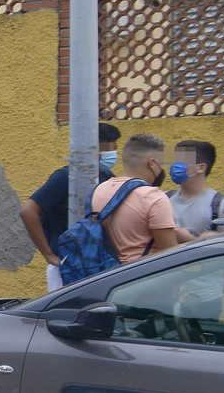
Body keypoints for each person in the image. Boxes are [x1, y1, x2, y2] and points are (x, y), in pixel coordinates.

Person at [20, 122, 122, 291]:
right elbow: (28, 212)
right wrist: (49, 256)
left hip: (98, 262)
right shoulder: (66, 177)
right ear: (94, 149)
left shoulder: (107, 177)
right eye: (110, 149)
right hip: (67, 264)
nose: (113, 155)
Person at [88, 133, 182, 266]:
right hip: (143, 276)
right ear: (152, 163)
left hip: (108, 274)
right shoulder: (154, 197)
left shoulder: (99, 190)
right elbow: (170, 255)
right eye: (161, 165)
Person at [167, 140, 223, 237]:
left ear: (201, 168)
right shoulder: (164, 199)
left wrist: (189, 239)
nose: (174, 166)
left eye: (181, 161)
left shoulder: (220, 205)